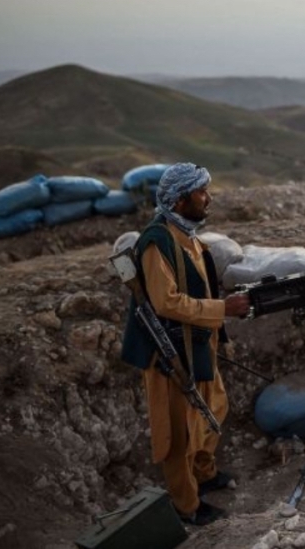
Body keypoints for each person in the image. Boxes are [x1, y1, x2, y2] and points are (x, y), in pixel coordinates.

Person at [120, 162, 250, 526]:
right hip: (170, 355)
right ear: (179, 201)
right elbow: (166, 303)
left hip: (198, 346)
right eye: (201, 192)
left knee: (214, 409)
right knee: (178, 434)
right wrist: (223, 309)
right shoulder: (157, 242)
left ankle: (204, 474)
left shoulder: (188, 236)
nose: (208, 198)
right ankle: (187, 505)